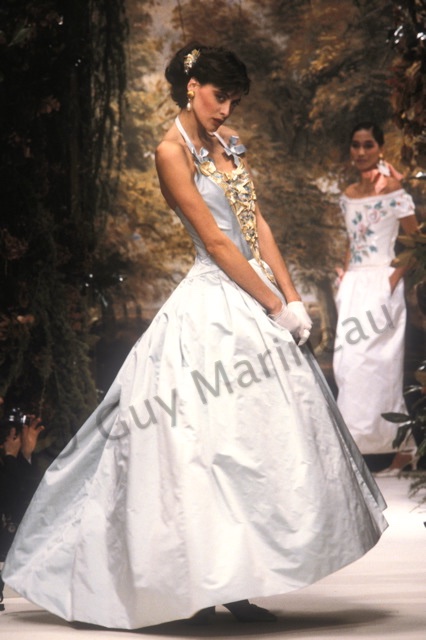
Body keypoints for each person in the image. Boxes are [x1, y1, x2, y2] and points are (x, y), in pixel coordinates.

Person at [3, 43, 387, 630]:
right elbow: (215, 240)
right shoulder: (170, 151)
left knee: (256, 445)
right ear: (191, 86)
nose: (226, 109)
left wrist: (291, 297)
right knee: (200, 447)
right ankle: (198, 584)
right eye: (219, 95)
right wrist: (271, 304)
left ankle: (242, 577)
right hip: (214, 298)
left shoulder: (229, 143)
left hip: (256, 290)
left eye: (234, 99)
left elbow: (256, 223)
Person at [333, 122, 419, 474]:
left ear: (380, 148)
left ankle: (403, 448)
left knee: (379, 366)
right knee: (348, 366)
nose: (361, 152)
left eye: (368, 145)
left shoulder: (395, 190)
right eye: (356, 145)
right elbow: (351, 243)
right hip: (354, 286)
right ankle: (353, 444)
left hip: (383, 282)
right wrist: (344, 277)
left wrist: (392, 279)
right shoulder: (348, 194)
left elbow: (417, 241)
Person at [0, 412, 44, 609]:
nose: (14, 441)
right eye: (10, 437)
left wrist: (25, 455)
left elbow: (31, 496)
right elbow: (9, 494)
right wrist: (10, 456)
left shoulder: (15, 465)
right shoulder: (8, 464)